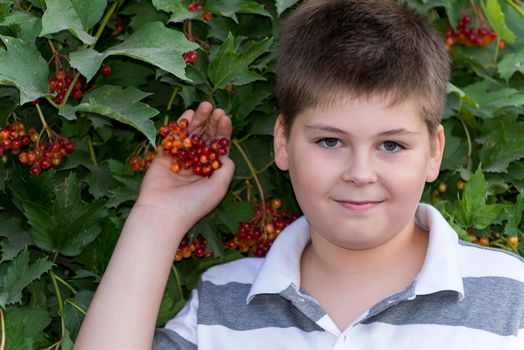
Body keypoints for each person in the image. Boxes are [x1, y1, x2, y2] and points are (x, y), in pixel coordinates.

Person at [74, 0, 524, 349]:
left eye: (391, 145)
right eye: (330, 141)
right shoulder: (223, 302)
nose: (360, 172)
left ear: (434, 152)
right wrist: (157, 220)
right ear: (283, 143)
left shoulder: (512, 300)